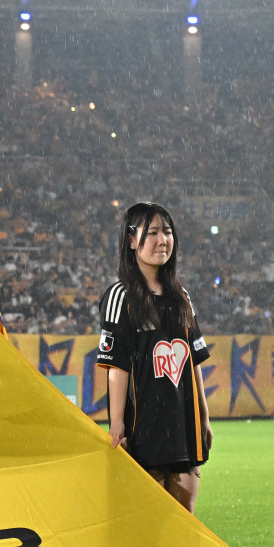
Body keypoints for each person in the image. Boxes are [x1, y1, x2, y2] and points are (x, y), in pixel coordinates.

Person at [96, 202, 213, 512]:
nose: (163, 240)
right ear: (132, 240)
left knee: (184, 522)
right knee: (148, 523)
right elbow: (117, 367)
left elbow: (192, 364)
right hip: (143, 431)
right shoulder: (120, 297)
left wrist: (203, 418)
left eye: (168, 232)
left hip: (183, 429)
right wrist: (117, 423)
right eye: (152, 233)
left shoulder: (181, 297)